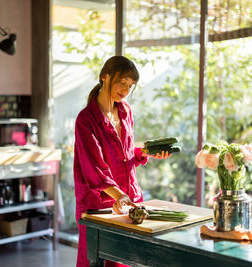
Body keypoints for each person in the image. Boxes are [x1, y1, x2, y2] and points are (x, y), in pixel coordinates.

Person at [73, 55, 171, 267]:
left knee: (128, 261)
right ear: (105, 77)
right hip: (100, 207)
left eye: (131, 85)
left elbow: (123, 155)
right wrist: (120, 197)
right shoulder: (86, 119)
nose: (126, 90)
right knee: (98, 261)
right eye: (122, 82)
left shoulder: (125, 111)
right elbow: (94, 168)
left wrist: (145, 152)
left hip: (129, 202)